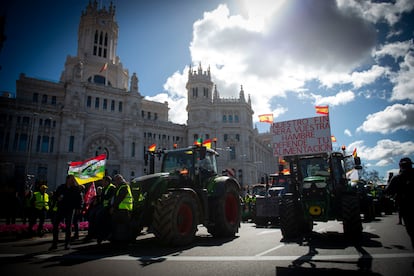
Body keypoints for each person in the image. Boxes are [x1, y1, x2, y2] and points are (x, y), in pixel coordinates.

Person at [386, 157, 414, 251]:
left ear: (400, 166)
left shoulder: (398, 177)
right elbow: (388, 192)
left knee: (412, 232)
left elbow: (388, 191)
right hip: (406, 208)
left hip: (407, 208)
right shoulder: (397, 178)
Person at [49, 174, 83, 250]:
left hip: (70, 209)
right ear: (67, 180)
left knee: (68, 227)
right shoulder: (61, 187)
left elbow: (80, 199)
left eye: (73, 179)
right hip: (61, 208)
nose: (73, 181)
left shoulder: (75, 189)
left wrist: (78, 208)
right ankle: (54, 244)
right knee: (55, 225)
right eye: (72, 179)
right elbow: (55, 196)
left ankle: (67, 243)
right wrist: (57, 198)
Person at [111, 174, 133, 243]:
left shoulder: (124, 187)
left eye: (116, 180)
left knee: (124, 227)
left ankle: (125, 241)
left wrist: (113, 207)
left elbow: (119, 198)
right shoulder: (120, 187)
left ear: (119, 180)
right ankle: (121, 240)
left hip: (124, 210)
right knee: (121, 226)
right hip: (121, 209)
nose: (115, 182)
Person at [96, 175, 116, 243]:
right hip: (104, 207)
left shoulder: (112, 188)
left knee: (102, 220)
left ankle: (104, 235)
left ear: (107, 182)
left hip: (108, 207)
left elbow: (108, 197)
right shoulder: (105, 188)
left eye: (103, 181)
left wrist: (101, 194)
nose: (102, 182)